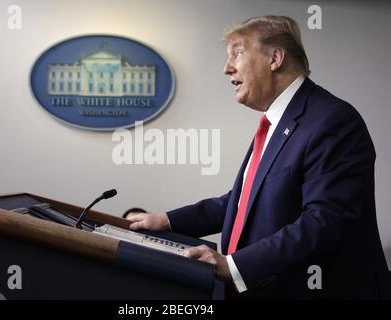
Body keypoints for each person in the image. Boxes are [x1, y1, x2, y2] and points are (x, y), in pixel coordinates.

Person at [128, 15, 391, 299]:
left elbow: (323, 222)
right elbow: (242, 203)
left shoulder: (333, 121)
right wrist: (166, 221)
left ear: (275, 58)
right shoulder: (277, 123)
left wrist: (233, 265)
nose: (226, 68)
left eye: (238, 53)